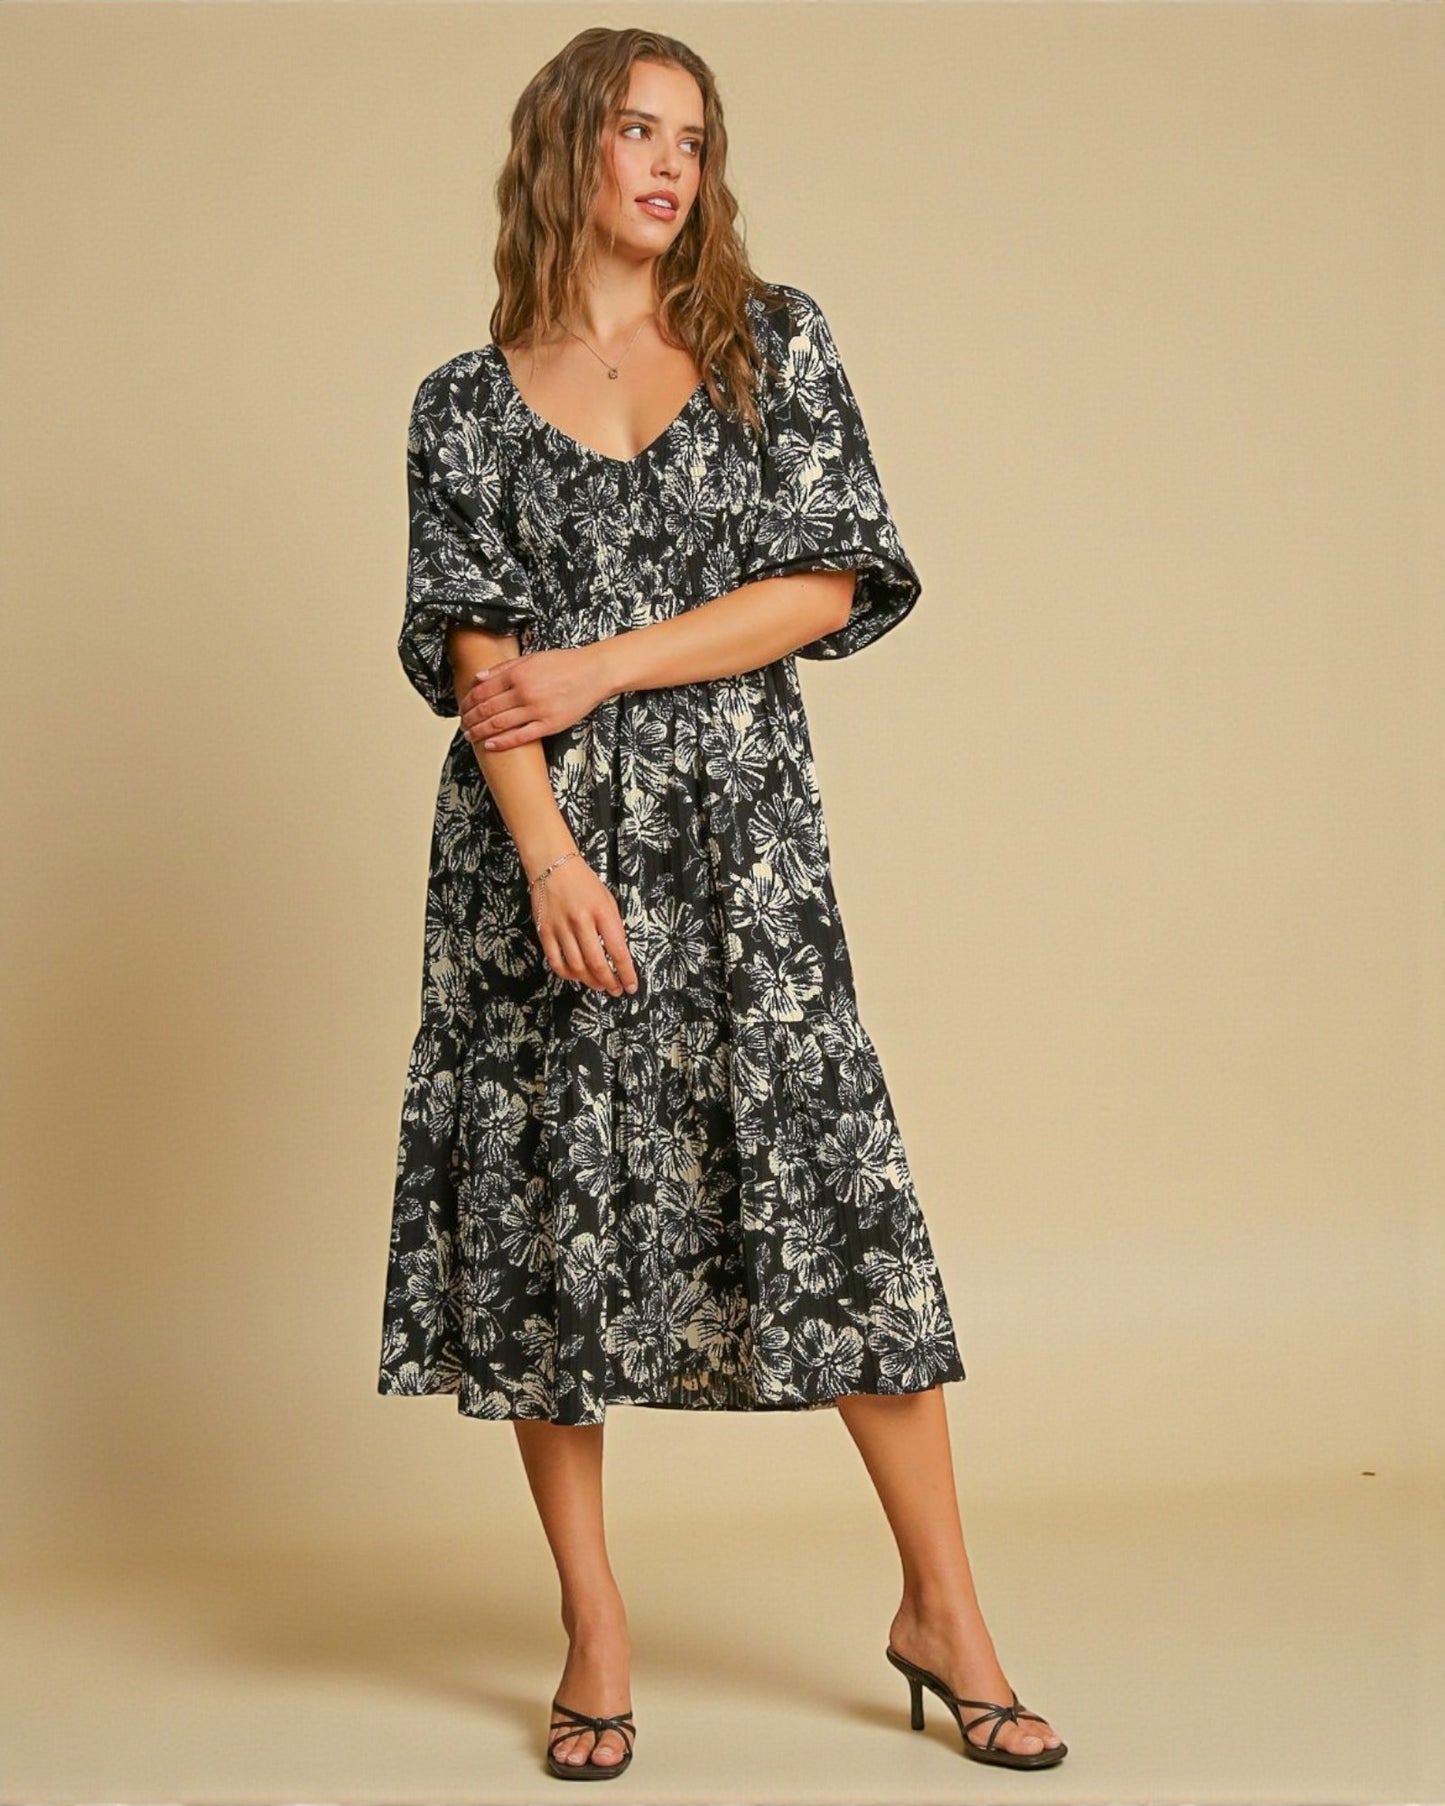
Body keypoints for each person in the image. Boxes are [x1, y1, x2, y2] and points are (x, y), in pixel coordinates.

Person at [377, 25, 1068, 1782]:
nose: (669, 164)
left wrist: (603, 662)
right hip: (540, 860)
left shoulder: (772, 341)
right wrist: (544, 855)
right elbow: (477, 656)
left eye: (693, 135)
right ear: (566, 151)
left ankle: (944, 1613)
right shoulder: (462, 403)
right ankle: (593, 1627)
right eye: (634, 129)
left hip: (740, 846)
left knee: (837, 1201)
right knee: (550, 1224)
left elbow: (830, 580)